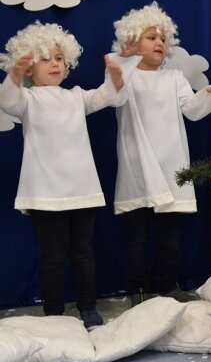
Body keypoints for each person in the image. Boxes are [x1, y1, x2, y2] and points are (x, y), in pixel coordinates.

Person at [0, 22, 127, 329]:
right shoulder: (28, 100)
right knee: (53, 256)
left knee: (83, 252)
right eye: (46, 59)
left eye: (59, 57)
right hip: (46, 193)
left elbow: (107, 96)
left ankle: (87, 307)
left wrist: (116, 77)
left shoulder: (76, 97)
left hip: (81, 189)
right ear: (30, 68)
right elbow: (7, 101)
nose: (55, 63)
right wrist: (14, 76)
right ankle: (54, 311)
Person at [109, 2, 211, 305]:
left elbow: (191, 110)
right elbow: (113, 95)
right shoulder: (124, 77)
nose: (159, 43)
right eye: (151, 37)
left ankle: (168, 284)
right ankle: (137, 290)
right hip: (137, 165)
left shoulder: (174, 78)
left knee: (169, 235)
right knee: (137, 236)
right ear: (131, 41)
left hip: (170, 165)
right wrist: (122, 63)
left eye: (163, 39)